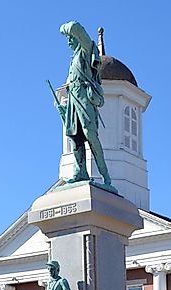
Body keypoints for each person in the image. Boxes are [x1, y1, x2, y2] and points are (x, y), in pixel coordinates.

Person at [56, 21, 112, 188]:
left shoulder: (85, 51)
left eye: (70, 38)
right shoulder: (72, 60)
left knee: (90, 135)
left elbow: (77, 29)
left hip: (85, 101)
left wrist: (65, 29)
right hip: (74, 100)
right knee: (75, 137)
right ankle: (81, 172)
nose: (68, 42)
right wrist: (65, 109)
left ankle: (105, 176)